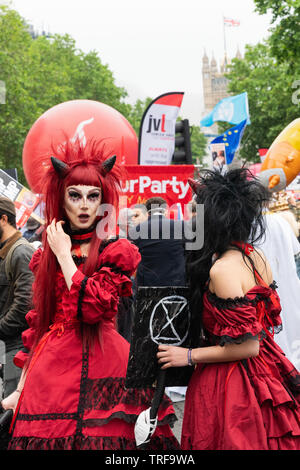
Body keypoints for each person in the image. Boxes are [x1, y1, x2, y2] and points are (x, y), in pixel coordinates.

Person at [1, 141, 178, 450]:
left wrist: (64, 256)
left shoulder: (115, 250)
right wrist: (21, 389)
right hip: (51, 371)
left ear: (103, 200)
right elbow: (40, 326)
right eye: (75, 195)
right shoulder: (45, 256)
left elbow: (95, 308)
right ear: (61, 198)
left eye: (93, 196)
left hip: (107, 364)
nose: (84, 205)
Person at [157, 168, 300, 450]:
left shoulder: (223, 269)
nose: (192, 221)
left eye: (197, 215)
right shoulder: (253, 255)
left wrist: (186, 355)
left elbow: (248, 346)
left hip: (235, 383)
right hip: (265, 371)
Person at [255, 210, 300, 369]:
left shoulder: (251, 225)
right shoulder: (280, 221)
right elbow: (296, 249)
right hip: (288, 282)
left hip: (266, 286)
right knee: (292, 327)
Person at [0, 197, 35, 398]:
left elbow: (25, 305)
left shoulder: (20, 252)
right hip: (7, 345)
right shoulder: (8, 250)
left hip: (16, 347)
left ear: (3, 219)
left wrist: (1, 329)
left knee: (10, 416)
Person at [130, 197, 186, 287]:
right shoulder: (181, 225)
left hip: (147, 286)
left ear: (147, 212)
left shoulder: (136, 230)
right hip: (176, 284)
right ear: (166, 211)